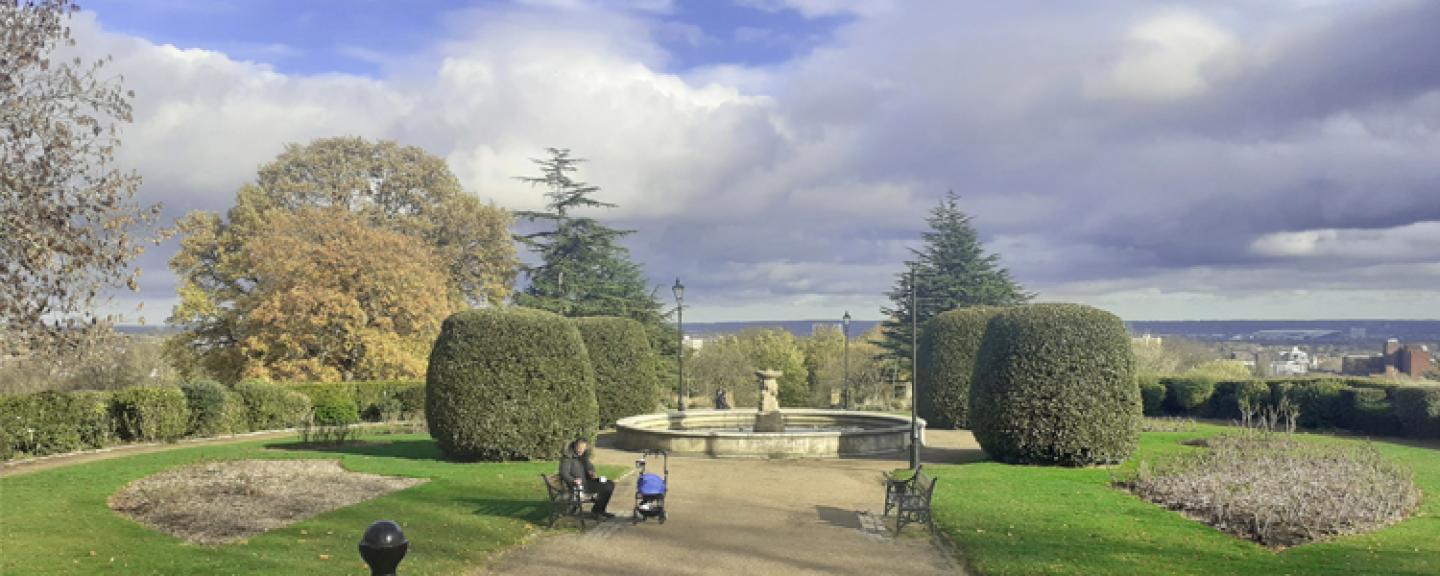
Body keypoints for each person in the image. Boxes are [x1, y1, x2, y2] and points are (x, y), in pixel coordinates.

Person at [559, 437, 613, 518]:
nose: (581, 450)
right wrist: (573, 480)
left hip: (588, 481)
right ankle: (597, 511)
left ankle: (600, 510)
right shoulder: (568, 458)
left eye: (583, 448)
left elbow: (590, 466)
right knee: (606, 488)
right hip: (578, 486)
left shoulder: (583, 456)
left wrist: (592, 471)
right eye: (579, 448)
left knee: (610, 484)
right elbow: (563, 473)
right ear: (575, 446)